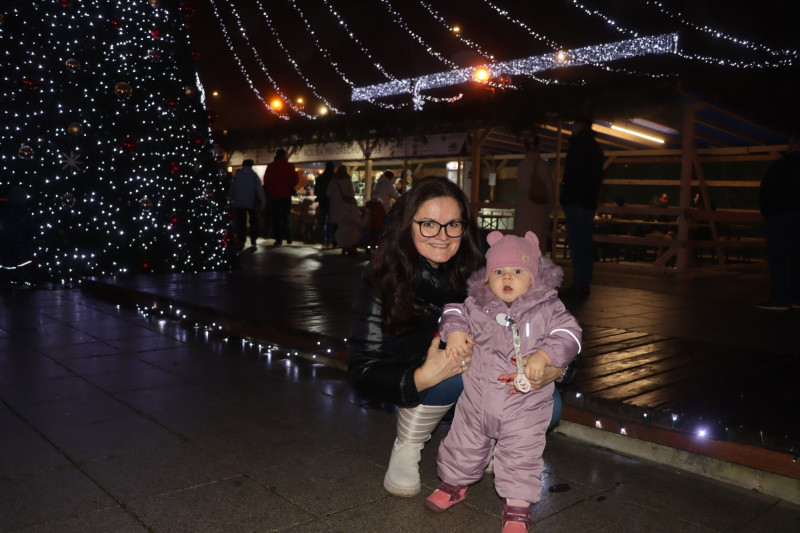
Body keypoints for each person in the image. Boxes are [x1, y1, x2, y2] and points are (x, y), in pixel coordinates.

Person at [348, 177, 569, 499]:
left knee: (552, 406)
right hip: (425, 367)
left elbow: (556, 317)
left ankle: (495, 443)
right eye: (428, 224)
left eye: (453, 224)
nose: (442, 236)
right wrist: (420, 377)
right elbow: (363, 369)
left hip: (497, 367)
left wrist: (557, 368)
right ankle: (409, 443)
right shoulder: (382, 273)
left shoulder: (493, 258)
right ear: (406, 224)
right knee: (457, 369)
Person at [424, 231, 581, 532]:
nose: (507, 277)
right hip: (476, 401)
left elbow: (569, 335)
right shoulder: (478, 305)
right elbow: (453, 310)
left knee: (521, 455)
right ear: (487, 279)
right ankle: (452, 484)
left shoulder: (549, 308)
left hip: (525, 407)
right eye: (498, 272)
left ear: (534, 277)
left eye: (517, 271)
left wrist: (545, 356)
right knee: (462, 444)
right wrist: (455, 332)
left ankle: (518, 506)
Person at [559, 115, 605, 298]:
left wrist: (566, 195)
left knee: (577, 243)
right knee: (585, 243)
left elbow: (573, 175)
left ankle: (579, 282)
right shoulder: (595, 148)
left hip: (576, 200)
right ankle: (583, 282)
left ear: (579, 125)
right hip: (588, 201)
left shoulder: (578, 146)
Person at [756, 133, 800, 310]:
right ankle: (797, 297)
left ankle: (779, 298)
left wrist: (768, 214)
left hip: (779, 216)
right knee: (798, 259)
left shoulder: (779, 166)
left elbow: (765, 191)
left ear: (794, 145)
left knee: (778, 258)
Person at [515, 133, 555, 254]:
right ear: (538, 146)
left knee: (522, 240)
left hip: (523, 207)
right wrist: (550, 206)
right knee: (537, 242)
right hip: (539, 207)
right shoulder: (541, 165)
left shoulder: (521, 165)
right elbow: (550, 188)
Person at [263, 149, 298, 246]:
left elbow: (266, 181)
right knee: (287, 216)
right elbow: (295, 180)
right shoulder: (290, 166)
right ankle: (289, 237)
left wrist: (272, 189)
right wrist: (289, 186)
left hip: (274, 196)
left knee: (276, 218)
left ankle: (278, 239)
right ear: (284, 155)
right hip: (286, 195)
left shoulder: (271, 166)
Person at [227, 159, 265, 248]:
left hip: (239, 202)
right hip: (251, 203)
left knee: (241, 222)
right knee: (253, 222)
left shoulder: (238, 175)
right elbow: (259, 190)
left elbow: (233, 187)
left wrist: (230, 197)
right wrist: (263, 202)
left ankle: (241, 239)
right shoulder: (254, 176)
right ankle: (253, 239)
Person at [327, 165, 356, 247]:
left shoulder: (333, 181)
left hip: (334, 205)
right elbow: (352, 193)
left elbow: (328, 193)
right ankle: (342, 241)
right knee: (343, 225)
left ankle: (334, 241)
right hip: (345, 205)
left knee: (335, 224)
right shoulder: (348, 181)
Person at [315, 161, 335, 246]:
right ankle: (329, 240)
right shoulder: (335, 178)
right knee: (331, 222)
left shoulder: (320, 178)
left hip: (322, 202)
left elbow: (316, 191)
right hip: (332, 202)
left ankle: (323, 239)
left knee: (323, 222)